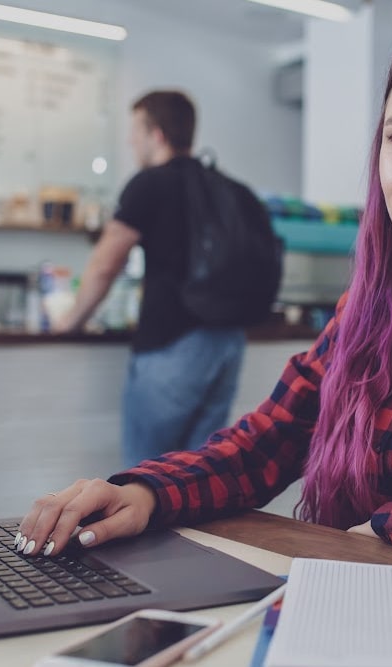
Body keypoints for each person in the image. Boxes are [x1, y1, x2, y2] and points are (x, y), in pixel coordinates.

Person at [18, 21, 392, 592]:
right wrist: (145, 491)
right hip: (370, 615)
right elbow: (264, 445)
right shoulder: (371, 312)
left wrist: (387, 524)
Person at [52, 91, 247, 468]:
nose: (130, 141)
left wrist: (70, 322)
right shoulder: (228, 187)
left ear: (156, 134)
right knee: (200, 477)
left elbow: (105, 264)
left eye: (135, 131)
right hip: (228, 344)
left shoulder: (150, 183)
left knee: (144, 478)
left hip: (172, 345)